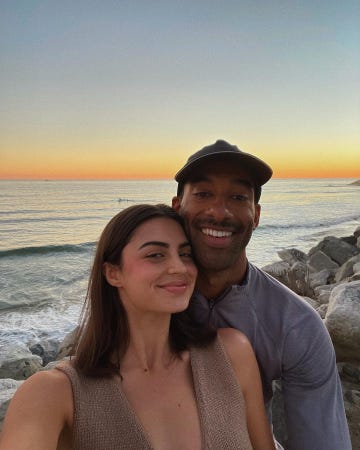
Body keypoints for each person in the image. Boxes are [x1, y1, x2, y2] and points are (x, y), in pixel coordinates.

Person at [0, 204, 276, 450]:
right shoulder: (55, 393)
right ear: (113, 273)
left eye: (186, 254)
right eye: (156, 255)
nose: (179, 267)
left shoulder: (230, 355)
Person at [172, 139, 351, 450]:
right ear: (178, 208)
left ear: (255, 215)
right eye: (203, 194)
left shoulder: (297, 326)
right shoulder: (141, 305)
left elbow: (322, 440)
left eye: (238, 197)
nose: (219, 211)